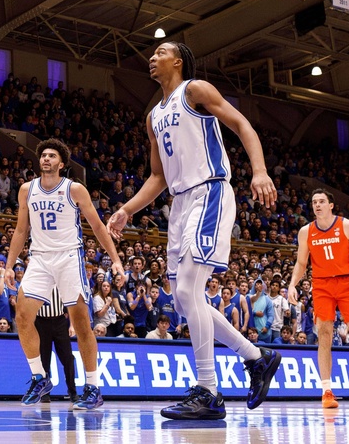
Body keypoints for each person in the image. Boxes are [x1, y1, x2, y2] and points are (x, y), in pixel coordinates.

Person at [107, 41, 281, 420]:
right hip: (180, 203)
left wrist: (260, 170)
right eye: (151, 54)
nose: (152, 57)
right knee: (186, 301)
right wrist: (126, 209)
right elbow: (157, 176)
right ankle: (257, 357)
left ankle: (208, 391)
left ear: (179, 61)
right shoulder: (153, 115)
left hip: (210, 190)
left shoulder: (195, 90)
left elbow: (242, 124)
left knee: (188, 290)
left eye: (160, 52)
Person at [7, 138, 123, 410]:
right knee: (23, 316)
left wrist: (115, 260)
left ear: (61, 163)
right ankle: (39, 376)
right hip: (39, 258)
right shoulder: (27, 189)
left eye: (51, 156)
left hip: (69, 256)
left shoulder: (75, 189)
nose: (46, 159)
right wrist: (10, 265)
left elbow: (96, 225)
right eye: (43, 155)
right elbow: (21, 230)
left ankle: (93, 386)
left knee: (81, 323)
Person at [287, 188, 349, 409]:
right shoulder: (306, 231)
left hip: (348, 283)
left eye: (321, 201)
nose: (317, 205)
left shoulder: (347, 226)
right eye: (314, 202)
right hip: (322, 285)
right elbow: (301, 263)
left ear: (331, 205)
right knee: (324, 334)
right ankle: (326, 390)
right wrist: (292, 285)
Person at [35, 286, 77, 403]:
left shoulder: (60, 280)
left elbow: (70, 304)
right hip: (41, 321)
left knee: (68, 358)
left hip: (59, 321)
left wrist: (72, 325)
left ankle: (72, 391)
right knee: (44, 359)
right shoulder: (38, 280)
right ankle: (44, 392)